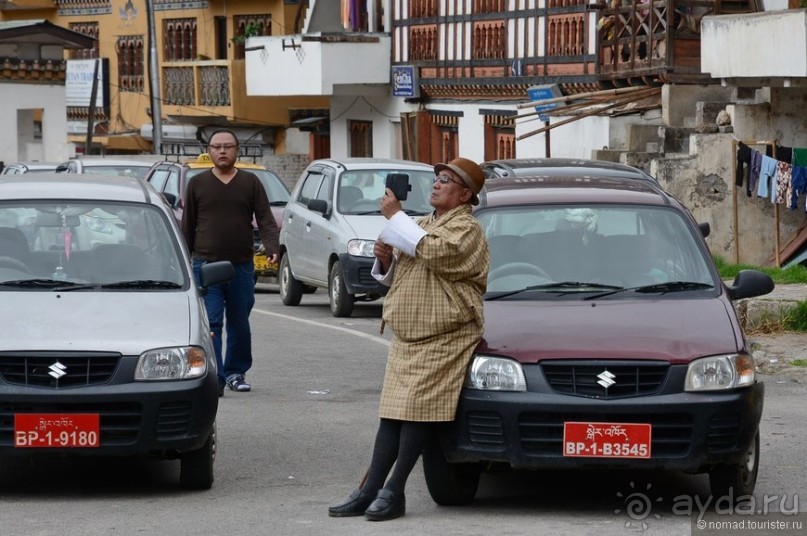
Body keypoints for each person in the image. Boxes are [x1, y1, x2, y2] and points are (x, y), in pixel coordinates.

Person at [327, 157, 489, 521]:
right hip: (409, 336)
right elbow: (396, 273)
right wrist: (384, 260)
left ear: (465, 195)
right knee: (392, 414)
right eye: (437, 177)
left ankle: (393, 491)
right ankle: (368, 489)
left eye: (446, 180)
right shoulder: (422, 224)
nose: (436, 184)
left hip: (445, 335)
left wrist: (395, 217)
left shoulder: (467, 229)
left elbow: (438, 253)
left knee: (416, 413)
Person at [181, 128, 279, 395]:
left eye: (228, 146)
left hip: (241, 267)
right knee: (212, 323)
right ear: (209, 151)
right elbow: (188, 226)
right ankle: (216, 377)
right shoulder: (197, 184)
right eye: (216, 147)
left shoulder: (250, 182)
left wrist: (272, 247)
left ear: (237, 150)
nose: (222, 151)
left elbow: (266, 218)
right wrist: (182, 263)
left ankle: (236, 373)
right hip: (206, 267)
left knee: (239, 321)